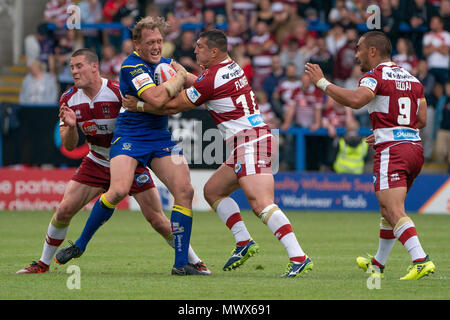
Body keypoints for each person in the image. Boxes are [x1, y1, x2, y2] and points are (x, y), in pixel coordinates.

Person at [123, 29, 313, 278]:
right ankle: (244, 241)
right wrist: (181, 74)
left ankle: (298, 257)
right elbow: (202, 83)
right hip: (254, 139)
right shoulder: (229, 67)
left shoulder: (212, 78)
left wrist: (138, 105)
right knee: (212, 190)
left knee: (261, 203)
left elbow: (171, 106)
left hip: (251, 142)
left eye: (199, 46)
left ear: (213, 52)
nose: (194, 50)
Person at [16, 48, 209, 275]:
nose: (74, 72)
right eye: (71, 68)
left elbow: (149, 112)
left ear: (94, 67)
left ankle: (194, 261)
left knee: (157, 220)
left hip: (129, 158)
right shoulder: (68, 98)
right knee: (64, 210)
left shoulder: (117, 92)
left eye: (79, 66)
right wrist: (69, 126)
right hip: (97, 160)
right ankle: (43, 263)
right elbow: (69, 145)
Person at [76, 17, 204, 276]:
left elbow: (200, 86)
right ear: (137, 44)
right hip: (130, 135)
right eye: (150, 42)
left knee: (185, 191)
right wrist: (179, 79)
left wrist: (213, 85)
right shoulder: (131, 67)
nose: (157, 46)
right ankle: (79, 244)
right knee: (118, 190)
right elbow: (157, 99)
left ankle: (181, 264)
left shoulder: (167, 64)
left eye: (159, 41)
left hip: (160, 137)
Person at [305, 31, 435, 280]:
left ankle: (420, 259)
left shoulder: (374, 76)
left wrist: (322, 83)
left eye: (359, 49)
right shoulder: (412, 79)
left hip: (393, 151)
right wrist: (390, 129)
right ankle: (378, 264)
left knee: (394, 209)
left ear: (372, 51)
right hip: (414, 150)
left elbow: (356, 101)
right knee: (388, 209)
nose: (356, 54)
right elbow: (422, 119)